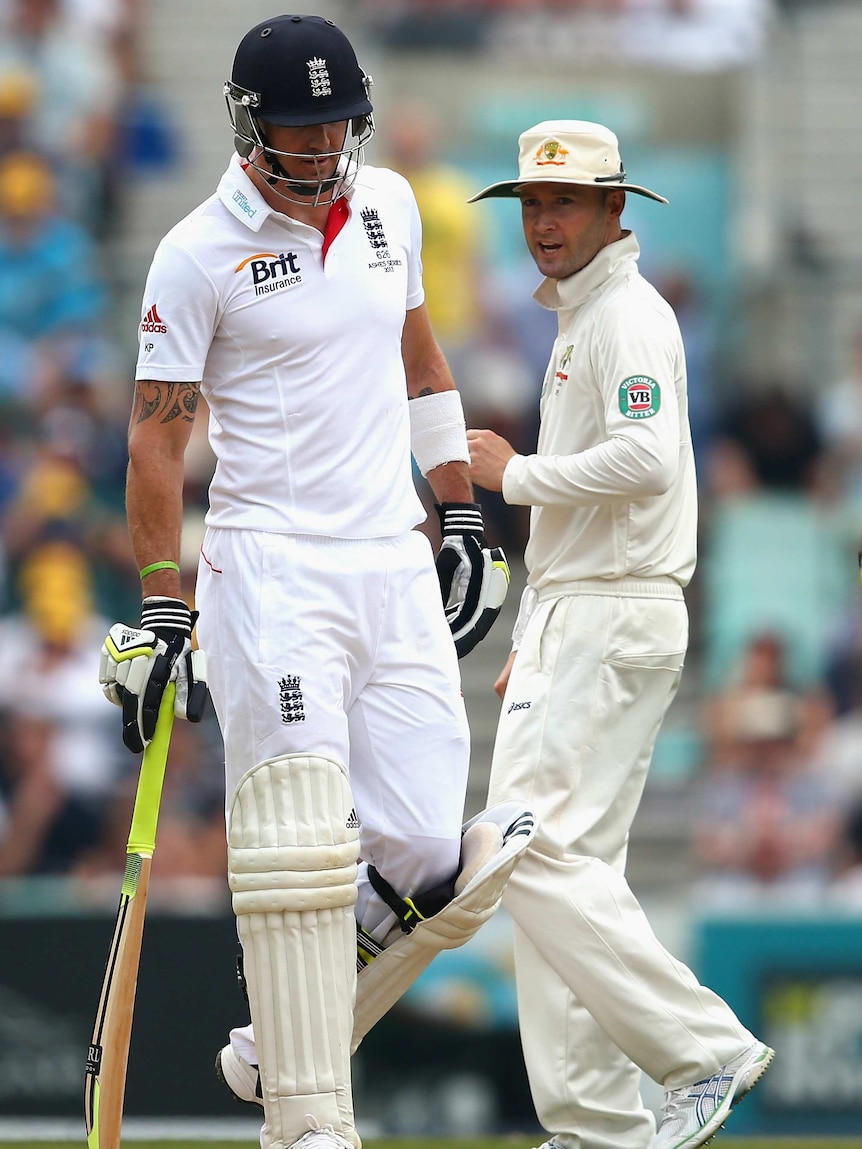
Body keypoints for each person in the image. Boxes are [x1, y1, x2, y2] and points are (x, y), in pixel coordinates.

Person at [96, 15, 524, 1149]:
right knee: (302, 841)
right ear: (250, 124)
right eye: (301, 124)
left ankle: (274, 1047)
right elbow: (155, 438)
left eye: (340, 122)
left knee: (435, 857)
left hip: (389, 554)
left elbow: (422, 363)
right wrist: (159, 605)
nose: (324, 143)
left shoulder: (385, 208)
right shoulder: (196, 250)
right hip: (271, 565)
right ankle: (308, 1122)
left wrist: (463, 512)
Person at [466, 120, 774, 1149]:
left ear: (614, 209)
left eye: (562, 203)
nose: (541, 224)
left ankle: (703, 1051)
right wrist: (537, 616)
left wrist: (513, 477)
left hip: (611, 609)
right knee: (567, 870)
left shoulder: (625, 318)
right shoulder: (589, 317)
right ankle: (594, 1126)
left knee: (522, 850)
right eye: (530, 205)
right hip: (583, 608)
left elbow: (642, 459)